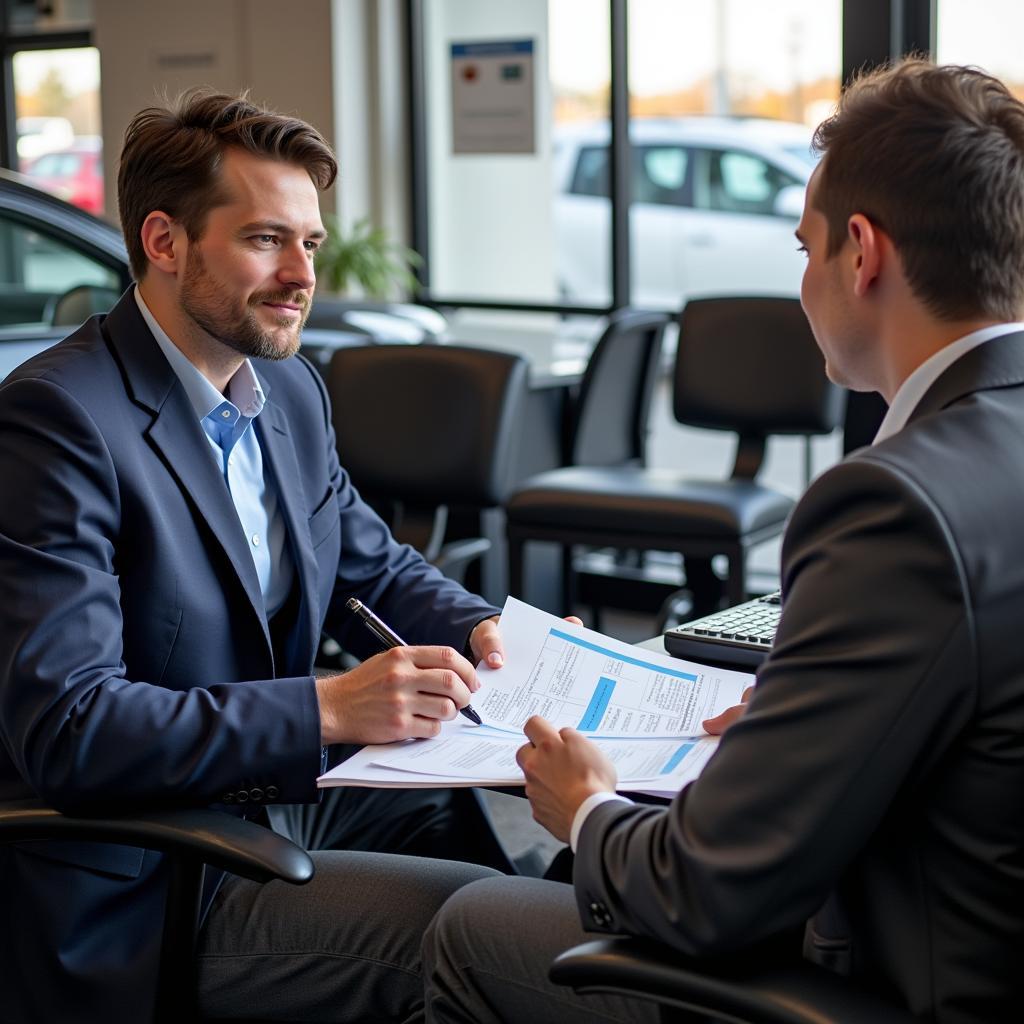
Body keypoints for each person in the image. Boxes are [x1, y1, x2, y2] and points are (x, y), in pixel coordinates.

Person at [423, 59, 1024, 1024]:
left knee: (474, 923)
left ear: (861, 254)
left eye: (803, 247)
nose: (801, 281)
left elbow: (704, 893)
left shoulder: (895, 501)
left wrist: (586, 806)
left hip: (904, 982)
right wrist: (806, 734)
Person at [0, 91, 514, 1022]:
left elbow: (370, 564)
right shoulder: (59, 421)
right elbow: (69, 730)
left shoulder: (285, 391)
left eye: (309, 244)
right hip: (147, 866)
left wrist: (492, 632)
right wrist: (327, 706)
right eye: (266, 240)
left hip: (272, 791)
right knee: (463, 936)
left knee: (495, 874)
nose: (300, 274)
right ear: (164, 242)